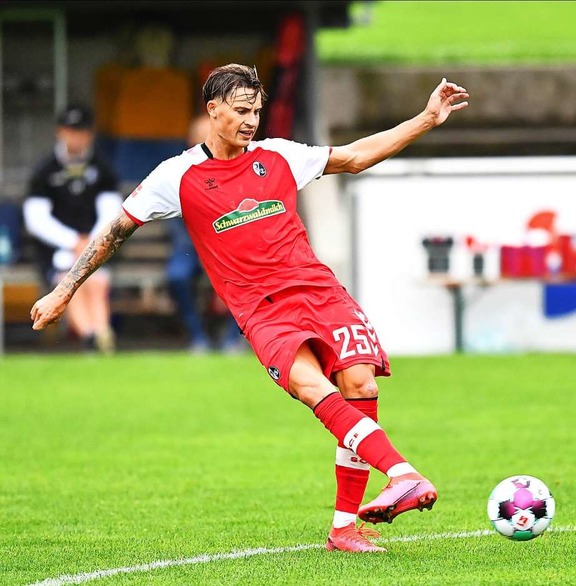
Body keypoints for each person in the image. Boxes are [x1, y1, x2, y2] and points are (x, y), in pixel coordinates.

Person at [30, 65, 469, 551]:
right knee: (310, 386)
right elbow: (114, 232)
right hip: (262, 310)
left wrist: (426, 119)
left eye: (256, 111)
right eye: (241, 111)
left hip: (320, 291)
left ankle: (344, 528)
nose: (251, 121)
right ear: (212, 109)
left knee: (360, 384)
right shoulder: (176, 176)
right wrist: (64, 291)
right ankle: (402, 474)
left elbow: (355, 156)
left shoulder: (278, 155)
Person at [24, 104, 122, 353]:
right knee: (69, 282)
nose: (75, 137)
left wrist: (90, 244)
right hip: (57, 250)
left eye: (81, 131)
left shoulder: (102, 168)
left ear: (90, 133)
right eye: (70, 130)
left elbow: (112, 212)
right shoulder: (45, 171)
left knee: (96, 282)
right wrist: (71, 242)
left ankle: (101, 336)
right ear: (60, 132)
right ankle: (91, 337)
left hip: (97, 246)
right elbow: (36, 220)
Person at [165, 113, 246, 353]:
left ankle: (234, 338)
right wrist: (202, 249)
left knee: (247, 275)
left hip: (230, 249)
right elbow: (173, 219)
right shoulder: (176, 174)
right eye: (201, 139)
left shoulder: (238, 171)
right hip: (190, 248)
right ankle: (197, 336)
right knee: (177, 276)